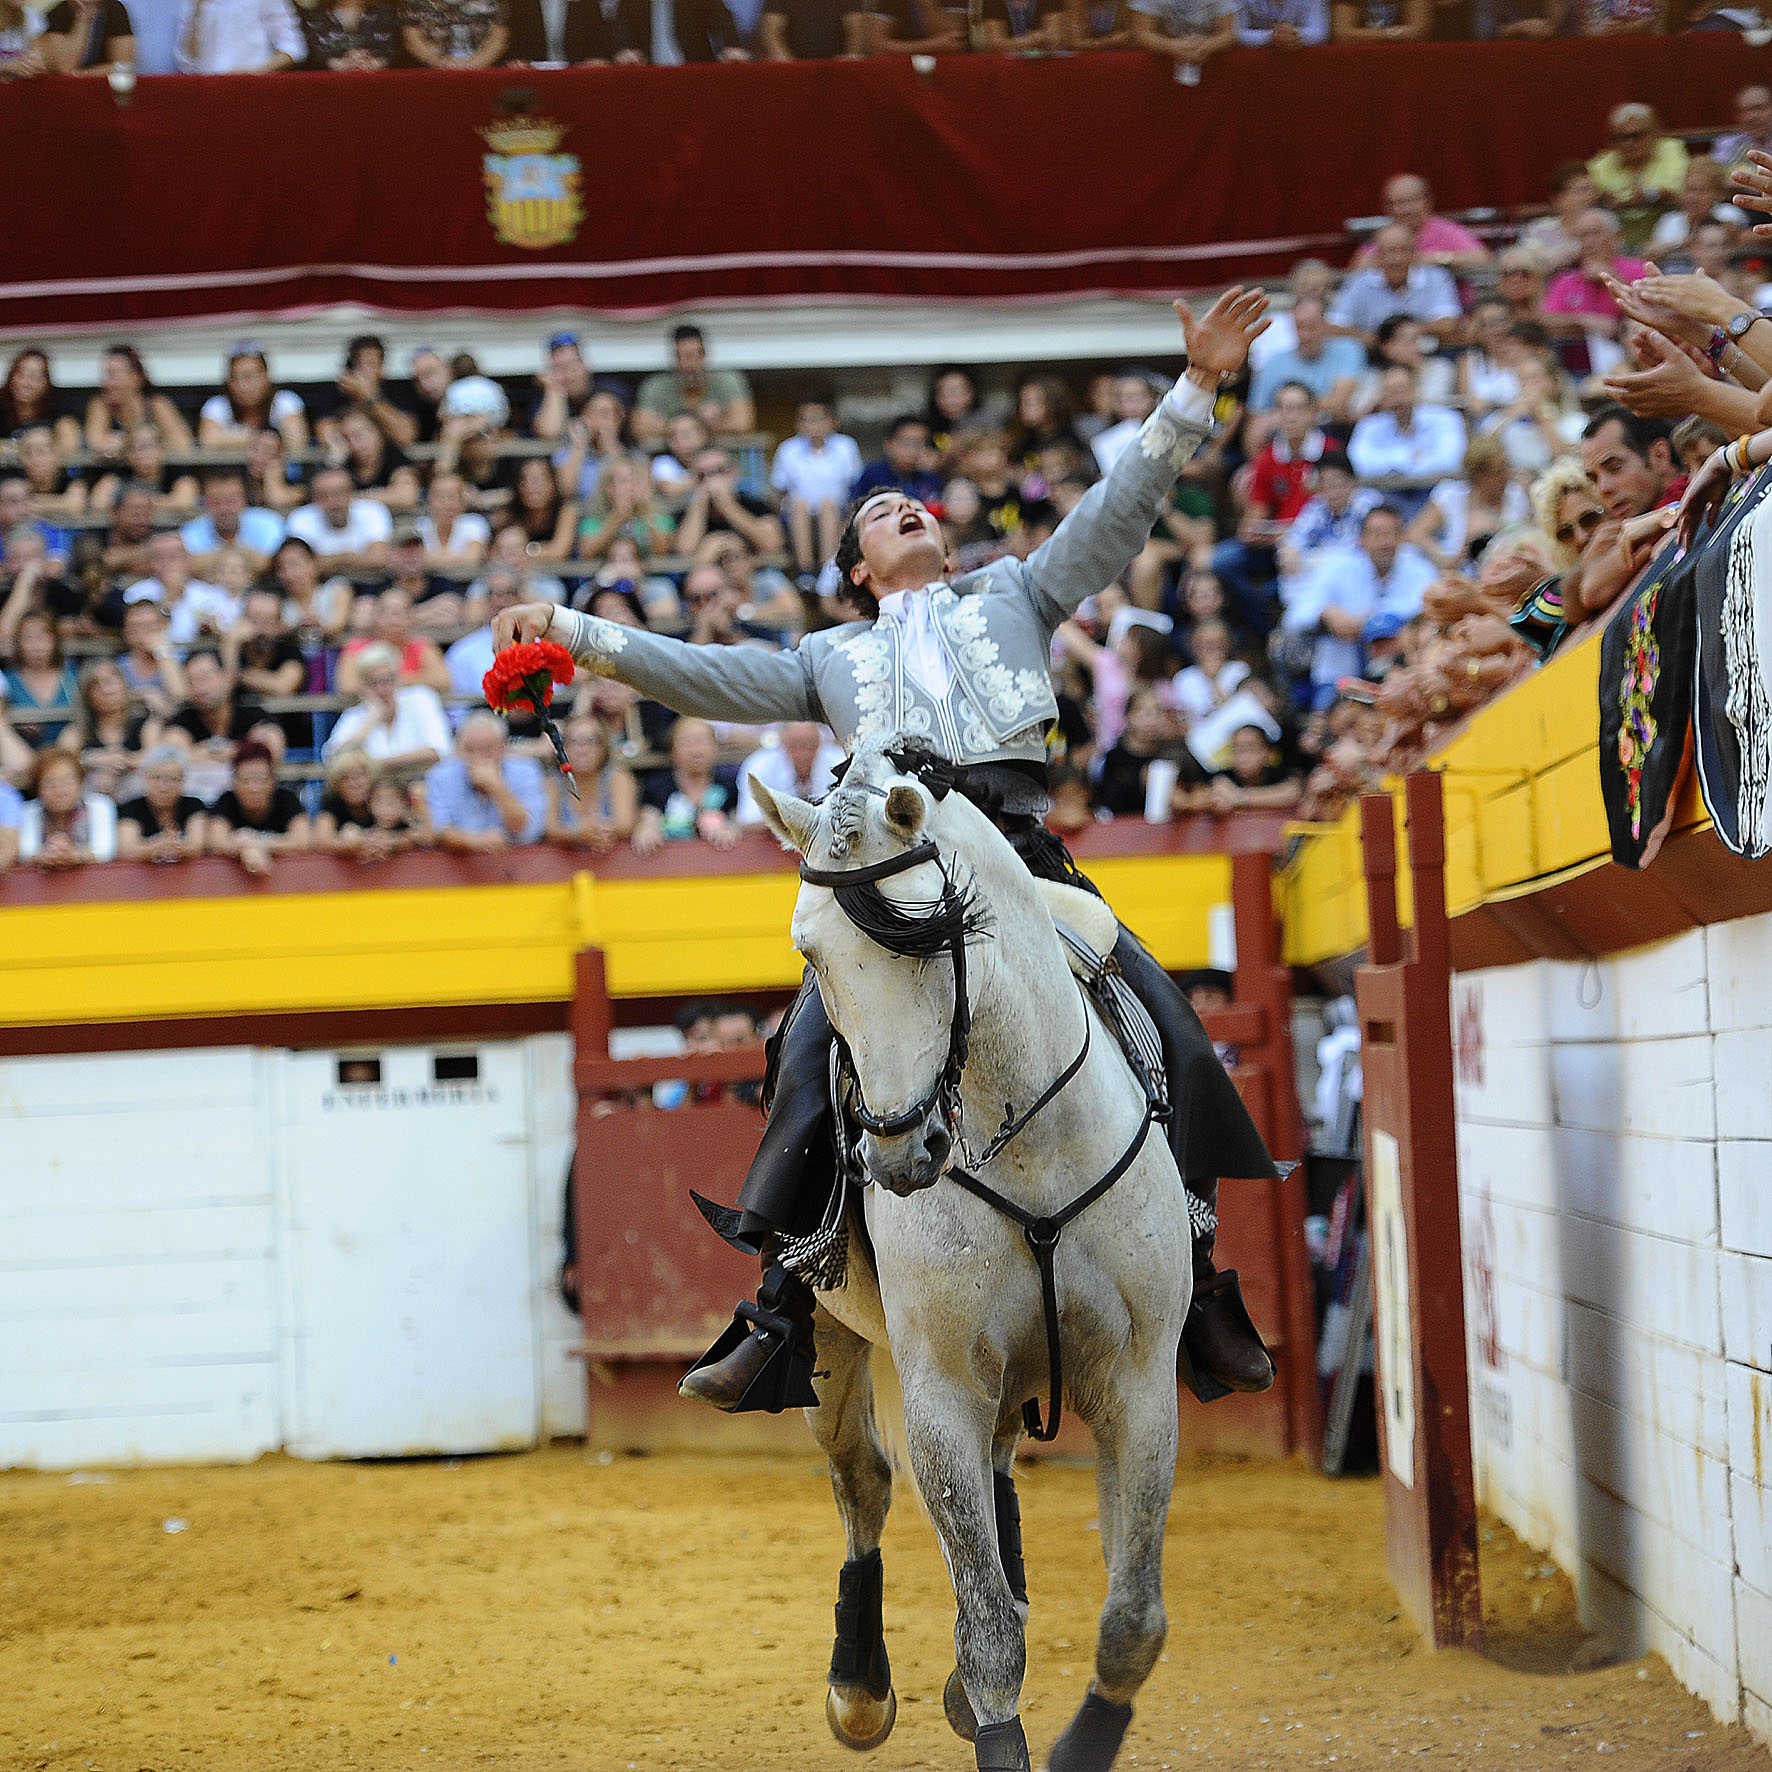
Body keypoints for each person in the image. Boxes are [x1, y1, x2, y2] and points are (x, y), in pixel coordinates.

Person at [497, 286, 1283, 1410]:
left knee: (1163, 1019)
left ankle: (1196, 1280)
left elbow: (1117, 511)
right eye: (876, 512)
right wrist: (567, 631)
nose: (901, 508)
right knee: (806, 1047)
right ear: (856, 571)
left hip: (1017, 861)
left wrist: (1195, 386)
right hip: (889, 874)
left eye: (911, 503)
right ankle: (777, 1303)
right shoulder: (825, 654)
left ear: (944, 538)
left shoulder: (1015, 588)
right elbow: (704, 675)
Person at [426, 710, 547, 851]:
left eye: (486, 749)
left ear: (503, 748)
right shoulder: (440, 775)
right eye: (469, 750)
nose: (478, 757)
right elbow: (438, 829)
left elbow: (530, 832)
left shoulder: (526, 771)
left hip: (517, 863)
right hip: (459, 864)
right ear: (458, 750)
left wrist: (497, 787)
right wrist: (475, 841)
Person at [1327, 224, 1463, 349]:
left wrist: (1409, 332)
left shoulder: (1437, 277)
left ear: (1414, 253)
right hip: (1374, 358)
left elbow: (1449, 323)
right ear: (1377, 257)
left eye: (1403, 250)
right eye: (1390, 252)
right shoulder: (1360, 282)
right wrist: (1368, 338)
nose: (1396, 259)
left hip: (1425, 355)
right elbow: (1333, 326)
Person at [771, 398, 863, 580]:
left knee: (828, 504)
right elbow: (778, 490)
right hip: (797, 514)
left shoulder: (846, 446)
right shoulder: (787, 449)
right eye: (806, 419)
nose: (812, 425)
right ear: (798, 423)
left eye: (818, 419)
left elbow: (855, 485)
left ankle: (826, 571)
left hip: (838, 511)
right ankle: (805, 570)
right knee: (799, 504)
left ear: (832, 421)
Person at [322, 642, 451, 771]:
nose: (381, 689)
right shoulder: (356, 714)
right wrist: (370, 721)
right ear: (363, 687)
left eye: (387, 680)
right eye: (373, 683)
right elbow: (332, 758)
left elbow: (439, 750)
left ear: (398, 679)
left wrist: (373, 764)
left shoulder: (421, 698)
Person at [632, 716, 741, 855]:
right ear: (672, 751)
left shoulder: (730, 785)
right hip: (672, 863)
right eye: (687, 742)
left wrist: (731, 830)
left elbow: (739, 822)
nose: (696, 750)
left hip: (721, 861)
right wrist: (647, 831)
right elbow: (648, 820)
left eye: (702, 741)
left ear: (716, 748)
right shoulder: (656, 786)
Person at [632, 324, 756, 445]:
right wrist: (701, 421)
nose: (689, 365)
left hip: (721, 461)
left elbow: (743, 423)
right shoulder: (656, 385)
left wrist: (668, 427)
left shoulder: (727, 380)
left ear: (704, 354)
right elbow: (640, 428)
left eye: (693, 355)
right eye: (682, 357)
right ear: (674, 358)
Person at [1587, 104, 1686, 251]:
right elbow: (1587, 196)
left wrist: (1648, 195)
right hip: (1616, 246)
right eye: (1619, 138)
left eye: (1636, 136)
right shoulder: (1600, 164)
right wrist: (1603, 199)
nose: (1628, 143)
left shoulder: (1672, 150)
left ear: (1654, 133)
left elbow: (1681, 187)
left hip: (1668, 242)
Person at [1247, 297, 1364, 419]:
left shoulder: (1348, 350)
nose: (1306, 335)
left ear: (1326, 324)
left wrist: (1289, 407)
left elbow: (1338, 404)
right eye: (1300, 327)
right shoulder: (1274, 362)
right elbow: (1256, 413)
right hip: (1280, 431)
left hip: (1331, 429)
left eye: (1312, 327)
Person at [205, 737, 308, 875]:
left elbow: (302, 840)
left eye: (260, 778)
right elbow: (216, 841)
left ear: (272, 780)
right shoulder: (226, 800)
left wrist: (257, 843)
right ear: (234, 781)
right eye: (246, 779)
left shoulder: (286, 798)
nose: (254, 787)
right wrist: (246, 849)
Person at [1354, 173, 1490, 275]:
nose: (1404, 210)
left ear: (1427, 202)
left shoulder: (1445, 230)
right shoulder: (1386, 235)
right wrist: (1400, 261)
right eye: (1397, 203)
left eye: (1410, 201)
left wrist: (1435, 259)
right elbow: (1358, 267)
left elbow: (1482, 258)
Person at [545, 714, 638, 850]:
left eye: (590, 741)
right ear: (562, 748)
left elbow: (625, 824)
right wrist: (577, 834)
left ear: (603, 747)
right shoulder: (553, 782)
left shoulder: (618, 777)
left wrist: (594, 831)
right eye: (574, 741)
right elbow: (549, 828)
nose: (582, 750)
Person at [83, 347, 194, 462]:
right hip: (115, 473)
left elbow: (183, 444)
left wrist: (127, 443)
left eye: (115, 376)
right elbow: (95, 444)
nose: (108, 383)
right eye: (106, 376)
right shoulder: (100, 405)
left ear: (137, 377)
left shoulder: (156, 404)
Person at [285, 465, 394, 577]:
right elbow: (301, 568)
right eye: (323, 495)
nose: (333, 502)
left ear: (351, 493)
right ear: (314, 499)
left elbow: (379, 559)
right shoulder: (300, 519)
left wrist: (334, 560)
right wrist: (351, 557)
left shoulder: (372, 510)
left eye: (339, 493)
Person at [18, 749, 116, 868]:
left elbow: (105, 850)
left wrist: (74, 856)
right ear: (38, 789)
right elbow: (26, 851)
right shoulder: (29, 811)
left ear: (80, 783)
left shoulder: (100, 805)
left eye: (67, 781)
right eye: (50, 783)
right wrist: (47, 856)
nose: (59, 791)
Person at [181, 468, 285, 577]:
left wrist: (214, 557)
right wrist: (246, 555)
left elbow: (274, 564)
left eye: (231, 501)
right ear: (205, 503)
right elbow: (188, 567)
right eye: (216, 502)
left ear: (244, 500)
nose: (224, 509)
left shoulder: (269, 523)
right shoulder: (190, 530)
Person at [736, 720, 843, 823]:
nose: (803, 754)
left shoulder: (839, 762)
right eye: (795, 746)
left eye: (811, 745)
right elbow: (748, 819)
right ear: (783, 744)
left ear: (820, 743)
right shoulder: (758, 765)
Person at [117, 746, 207, 861]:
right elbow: (127, 850)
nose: (163, 786)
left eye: (172, 778)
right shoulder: (131, 807)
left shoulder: (194, 805)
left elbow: (197, 846)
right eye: (156, 777)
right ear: (145, 779)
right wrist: (158, 845)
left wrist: (168, 846)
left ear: (183, 781)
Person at [2, 610, 78, 749]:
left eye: (43, 637)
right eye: (28, 638)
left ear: (55, 640)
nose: (37, 645)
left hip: (68, 756)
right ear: (18, 643)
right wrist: (16, 726)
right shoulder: (6, 681)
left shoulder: (73, 678)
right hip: (21, 756)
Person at [400, 0, 507, 62]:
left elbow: (499, 34)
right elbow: (411, 35)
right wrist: (437, 61)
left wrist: (476, 63)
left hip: (482, 69)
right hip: (430, 71)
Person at [38, 0, 134, 69]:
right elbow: (64, 67)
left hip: (103, 84)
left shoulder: (115, 9)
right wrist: (82, 19)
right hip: (66, 87)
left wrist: (84, 75)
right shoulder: (57, 13)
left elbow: (123, 66)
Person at [302, 0, 397, 65]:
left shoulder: (385, 14)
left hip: (377, 79)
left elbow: (391, 48)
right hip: (329, 82)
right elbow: (314, 50)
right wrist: (334, 62)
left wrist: (378, 61)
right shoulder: (315, 16)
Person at [760, 0, 866, 55]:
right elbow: (771, 34)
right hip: (793, 68)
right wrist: (790, 68)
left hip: (837, 70)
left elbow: (856, 31)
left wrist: (846, 66)